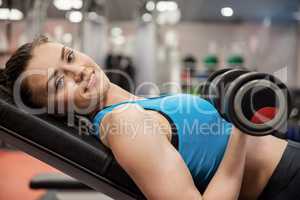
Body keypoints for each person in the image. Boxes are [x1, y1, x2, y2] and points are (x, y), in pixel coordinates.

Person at [0, 35, 298, 200]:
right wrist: (239, 129)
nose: (78, 70)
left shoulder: (136, 104)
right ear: (53, 110)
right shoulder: (123, 124)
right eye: (59, 83)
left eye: (69, 56)